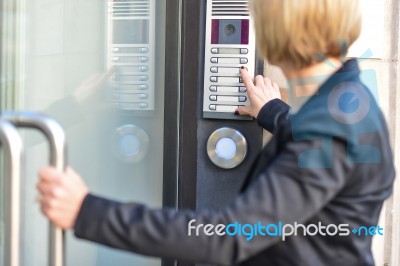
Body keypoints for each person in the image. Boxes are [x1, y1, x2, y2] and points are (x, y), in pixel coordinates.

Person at [37, 0, 395, 265]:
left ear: (275, 30)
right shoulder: (347, 99)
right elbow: (322, 156)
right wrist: (272, 113)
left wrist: (88, 212)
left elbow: (230, 236)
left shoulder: (329, 125)